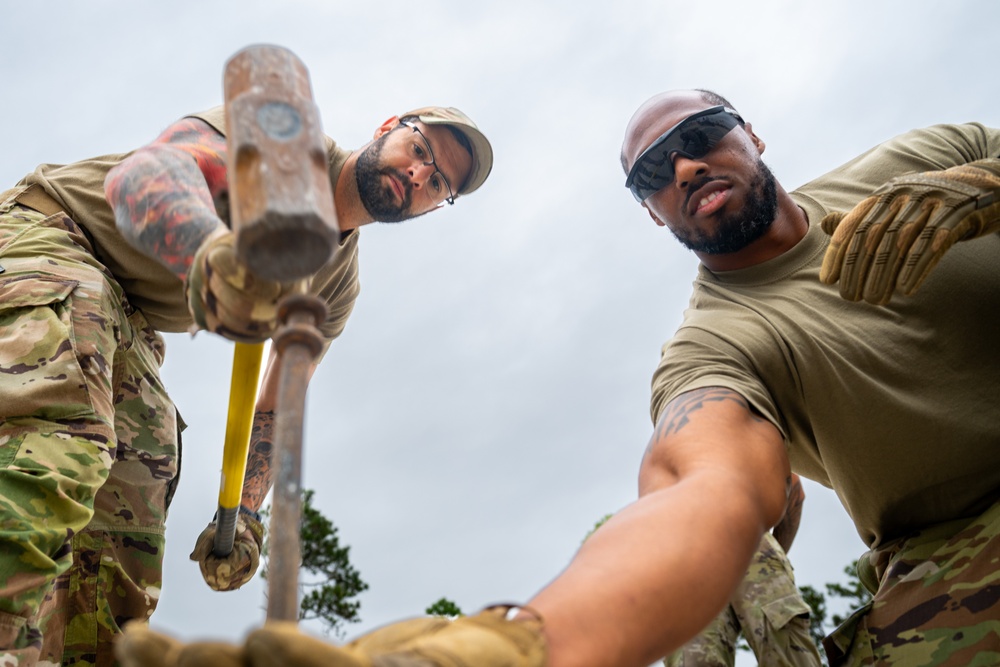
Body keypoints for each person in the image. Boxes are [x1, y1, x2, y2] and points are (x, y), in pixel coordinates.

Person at [115, 89, 1000, 667]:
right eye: (655, 172)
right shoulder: (716, 347)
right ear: (652, 214)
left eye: (699, 138)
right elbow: (703, 490)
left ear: (751, 134)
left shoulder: (930, 157)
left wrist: (987, 184)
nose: (686, 167)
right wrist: (510, 646)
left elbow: (274, 412)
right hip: (959, 547)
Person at [0, 99, 493, 667]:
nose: (418, 175)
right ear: (389, 128)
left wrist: (247, 516)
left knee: (141, 482)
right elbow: (152, 174)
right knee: (68, 434)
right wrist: (212, 250)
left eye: (438, 183)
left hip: (129, 314)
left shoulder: (334, 286)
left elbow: (279, 405)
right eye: (422, 150)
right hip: (54, 237)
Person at [664, 474, 821, 667]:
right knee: (693, 659)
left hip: (748, 541)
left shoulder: (740, 448)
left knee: (784, 646)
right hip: (689, 565)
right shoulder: (663, 465)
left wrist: (765, 559)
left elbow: (791, 486)